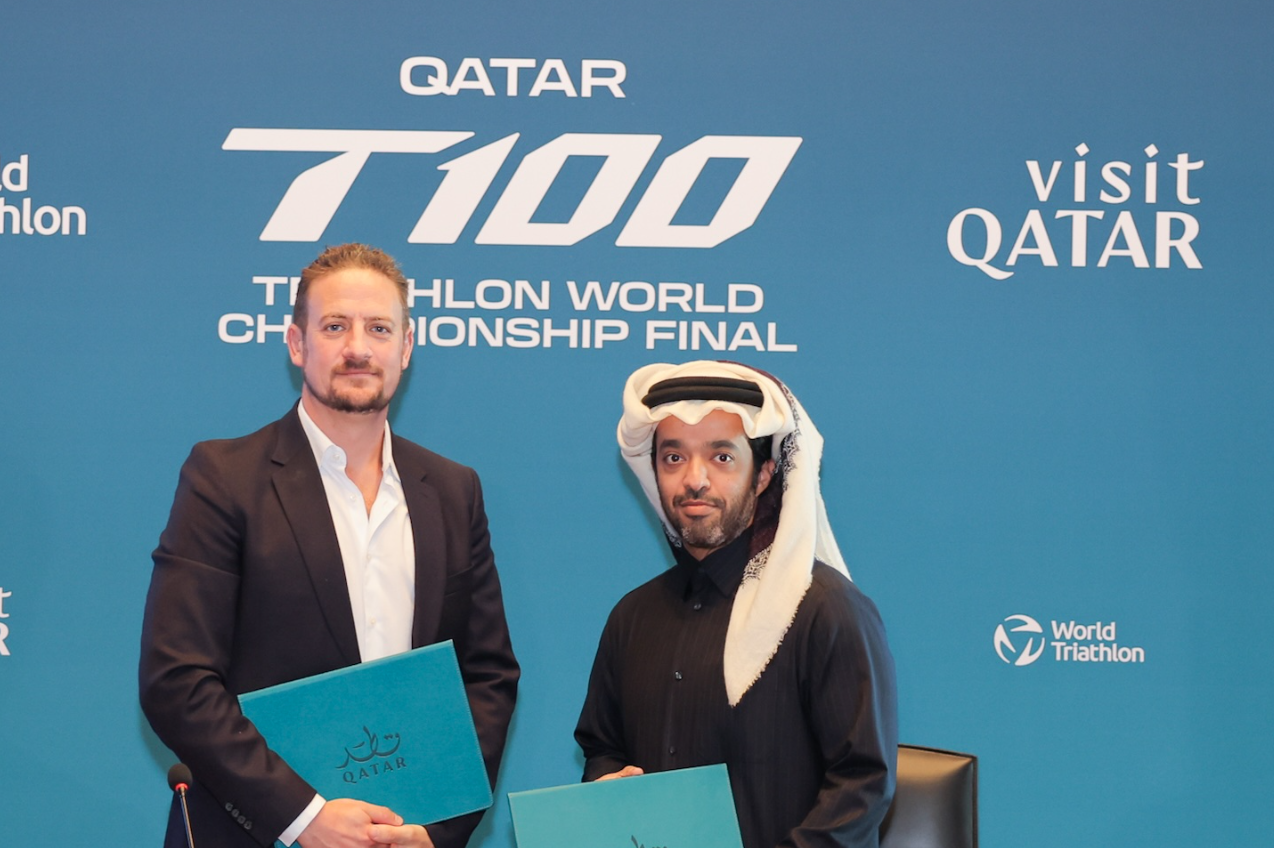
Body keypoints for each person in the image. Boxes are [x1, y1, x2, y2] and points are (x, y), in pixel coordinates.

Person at [140, 244, 519, 848]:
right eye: (335, 326)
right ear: (297, 344)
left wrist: (437, 829)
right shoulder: (224, 478)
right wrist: (304, 817)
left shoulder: (453, 491)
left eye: (379, 328)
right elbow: (177, 681)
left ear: (406, 347)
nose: (358, 348)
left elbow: (487, 675)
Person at [575, 361, 897, 848]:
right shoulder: (632, 617)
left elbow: (861, 786)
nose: (694, 480)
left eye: (721, 457)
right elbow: (602, 749)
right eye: (673, 458)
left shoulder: (826, 610)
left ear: (763, 475)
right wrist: (609, 788)